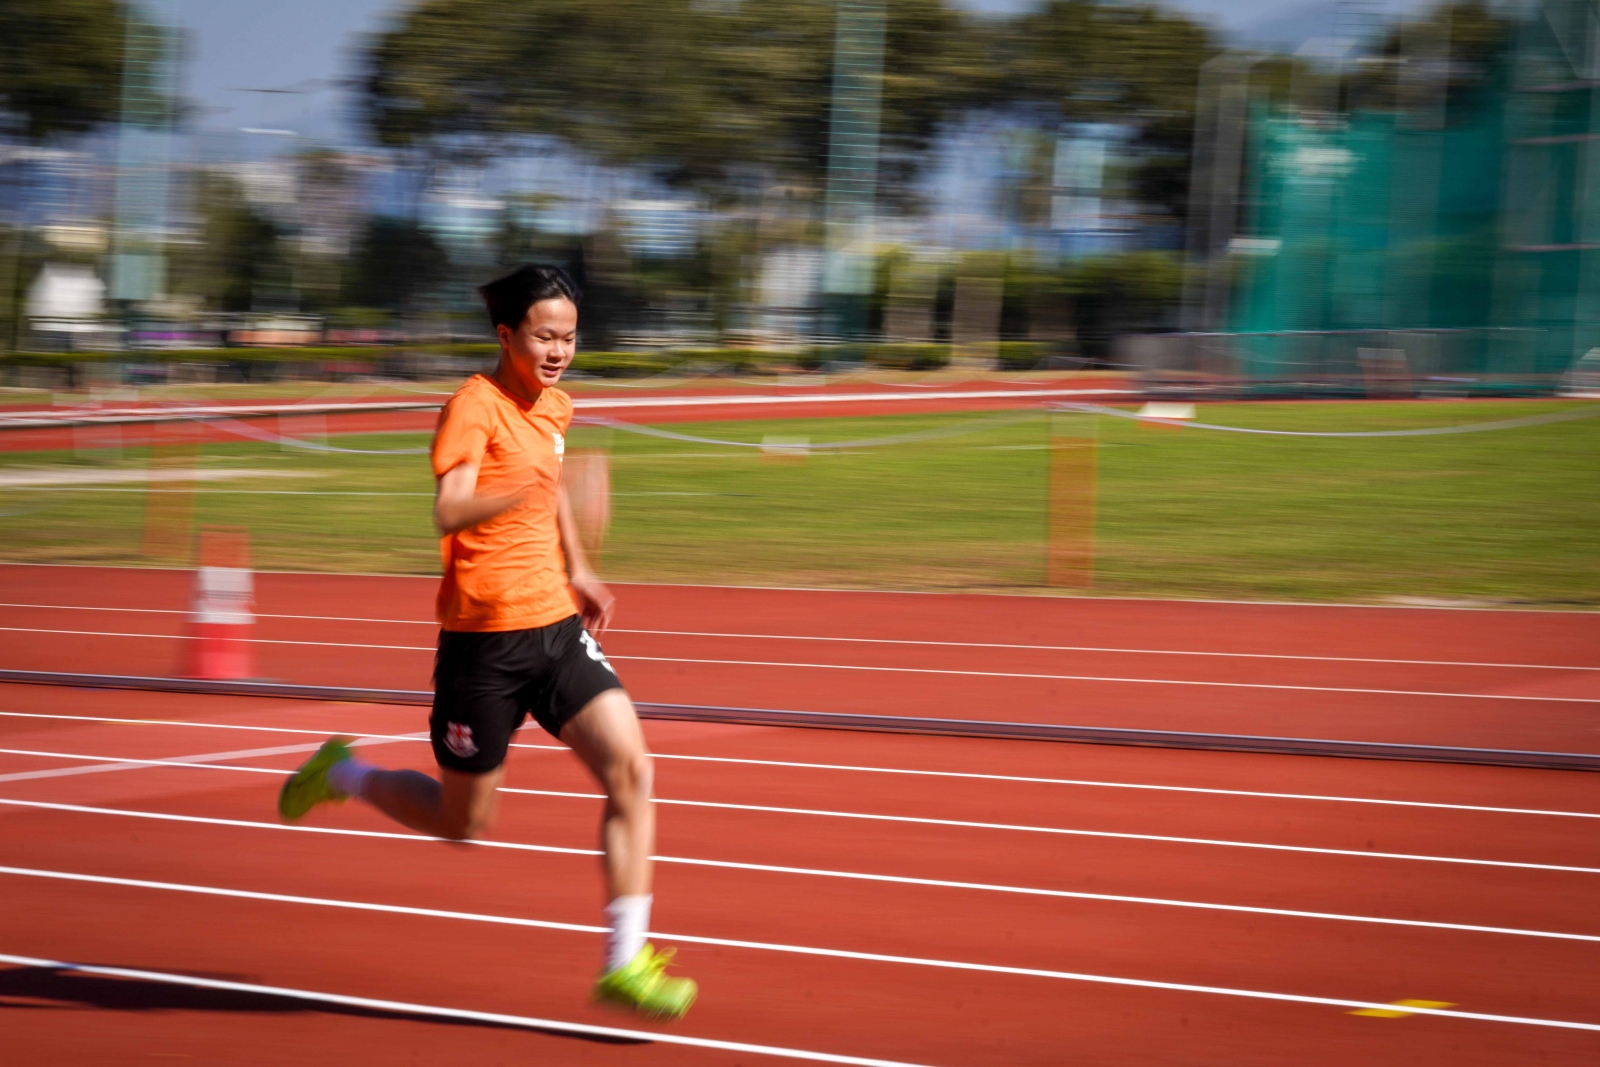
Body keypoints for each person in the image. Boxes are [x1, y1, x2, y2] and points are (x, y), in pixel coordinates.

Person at [277, 264, 696, 1021]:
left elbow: (552, 487)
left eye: (569, 337)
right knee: (463, 822)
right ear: (506, 336)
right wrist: (518, 492)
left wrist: (580, 567)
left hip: (555, 628)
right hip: (483, 646)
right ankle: (343, 772)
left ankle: (624, 962)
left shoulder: (556, 406)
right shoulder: (473, 406)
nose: (559, 350)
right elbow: (449, 507)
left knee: (632, 770)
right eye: (544, 336)